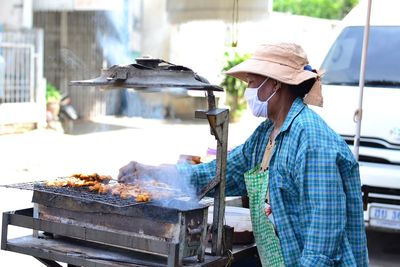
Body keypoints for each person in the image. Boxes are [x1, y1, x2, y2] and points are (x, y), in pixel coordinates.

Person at [118, 43, 368, 266]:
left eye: (251, 82)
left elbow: (324, 237)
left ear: (275, 84)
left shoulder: (312, 141)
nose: (248, 90)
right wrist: (154, 173)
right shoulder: (266, 134)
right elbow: (219, 175)